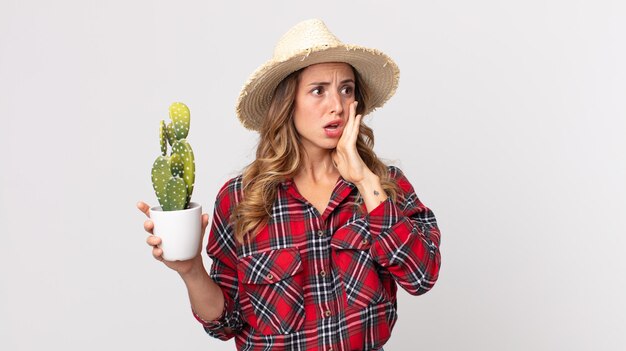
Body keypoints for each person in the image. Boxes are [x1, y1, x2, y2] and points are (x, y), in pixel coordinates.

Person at [137, 19, 441, 351]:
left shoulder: (384, 186)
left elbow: (421, 277)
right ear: (287, 103)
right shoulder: (241, 200)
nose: (336, 105)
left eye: (346, 88)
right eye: (318, 90)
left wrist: (364, 180)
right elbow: (225, 324)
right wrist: (192, 270)